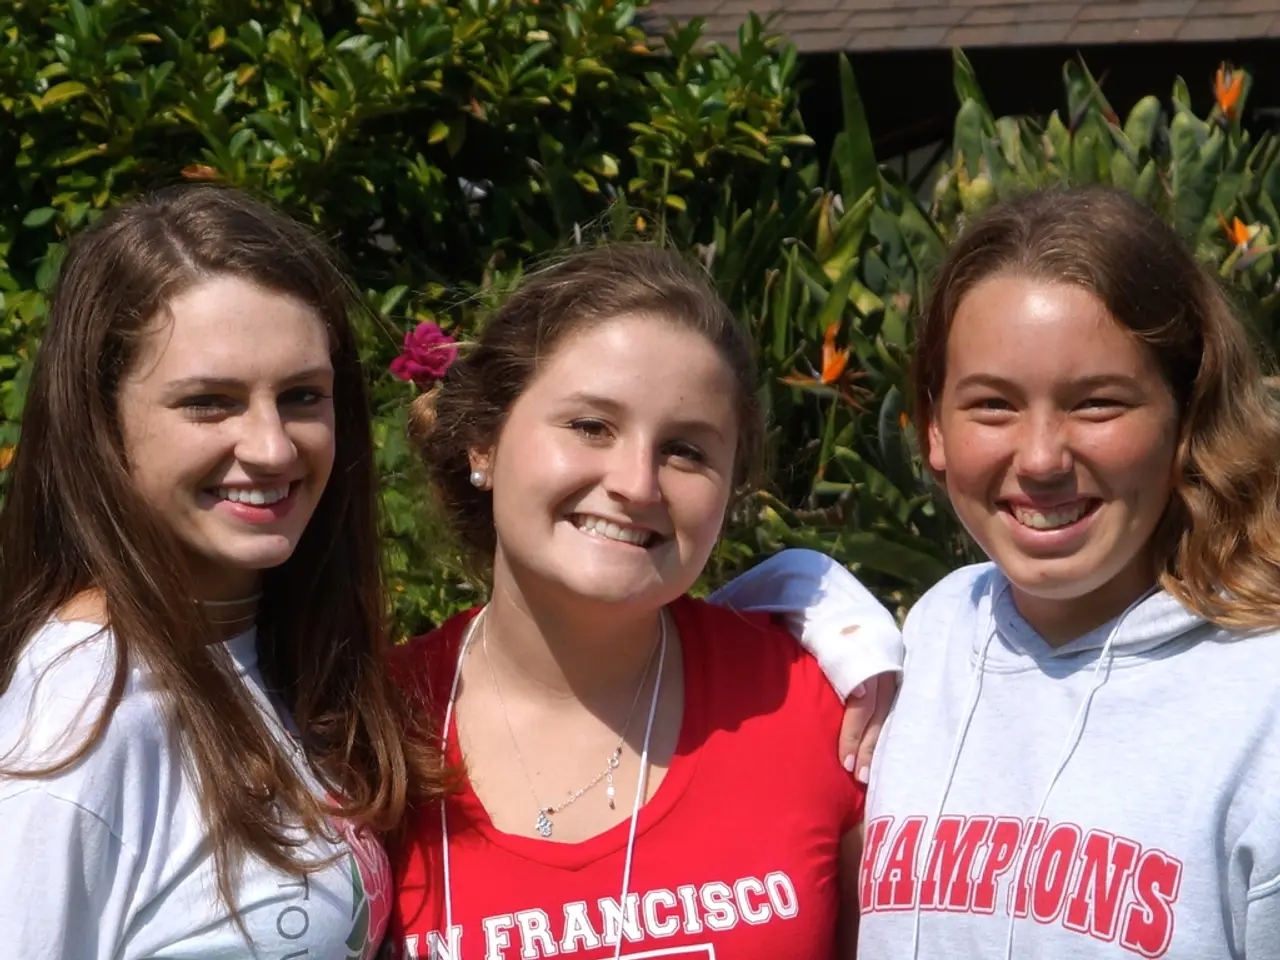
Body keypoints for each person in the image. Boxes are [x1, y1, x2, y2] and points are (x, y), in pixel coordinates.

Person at [386, 243, 897, 960]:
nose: (637, 484)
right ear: (483, 443)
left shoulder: (824, 713)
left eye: (686, 450)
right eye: (590, 426)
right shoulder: (366, 732)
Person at [0, 185, 442, 958]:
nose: (272, 447)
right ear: (101, 423)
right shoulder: (77, 726)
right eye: (210, 402)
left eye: (303, 396)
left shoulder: (277, 653)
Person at [857, 185, 1280, 958]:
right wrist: (801, 593)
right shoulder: (927, 638)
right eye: (991, 406)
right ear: (933, 430)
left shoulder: (1262, 704)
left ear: (1186, 418)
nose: (1043, 457)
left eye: (1096, 404)